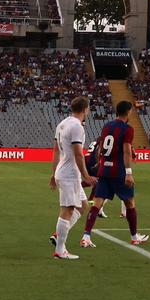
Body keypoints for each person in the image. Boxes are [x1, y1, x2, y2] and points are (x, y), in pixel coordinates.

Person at [81, 100, 147, 246]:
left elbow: (101, 148)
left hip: (104, 170)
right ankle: (135, 236)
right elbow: (126, 151)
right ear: (128, 112)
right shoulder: (128, 129)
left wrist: (100, 162)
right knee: (130, 203)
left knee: (97, 203)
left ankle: (86, 236)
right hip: (118, 172)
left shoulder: (106, 126)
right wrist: (129, 173)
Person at [50, 95, 92, 260]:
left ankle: (58, 235)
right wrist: (86, 176)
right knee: (67, 210)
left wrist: (53, 174)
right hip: (69, 174)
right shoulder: (77, 127)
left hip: (64, 171)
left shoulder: (63, 123)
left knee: (82, 206)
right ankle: (60, 250)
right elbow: (78, 153)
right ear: (85, 109)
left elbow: (55, 151)